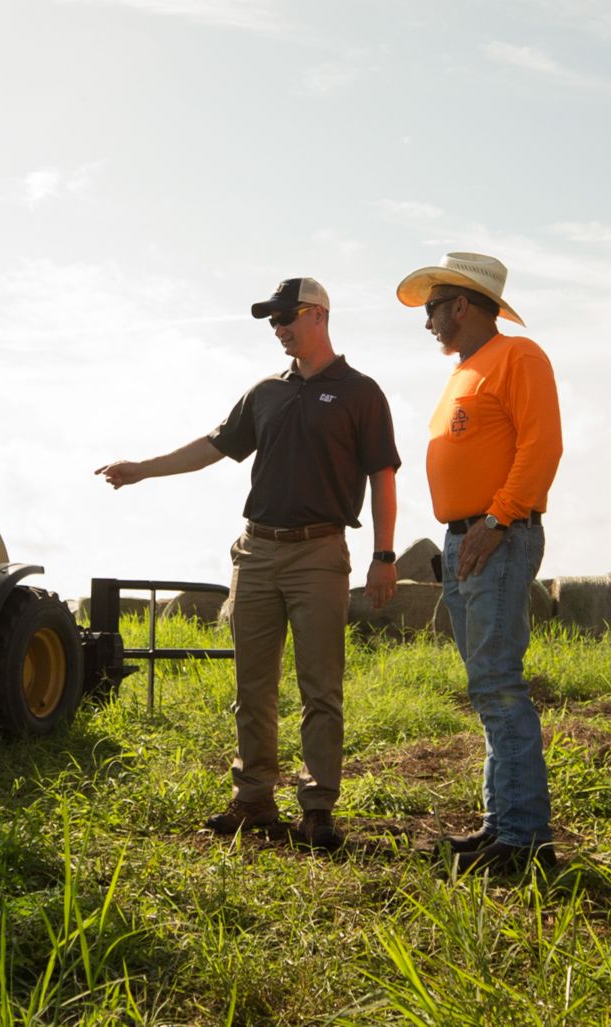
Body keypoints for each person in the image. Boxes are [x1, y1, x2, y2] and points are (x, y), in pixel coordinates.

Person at [96, 277, 401, 851]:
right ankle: (254, 798)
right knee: (251, 684)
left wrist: (385, 555)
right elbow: (212, 447)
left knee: (320, 687)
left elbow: (383, 477)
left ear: (317, 315)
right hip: (256, 553)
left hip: (320, 553)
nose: (278, 329)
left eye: (286, 318)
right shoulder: (265, 392)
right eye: (272, 321)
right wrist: (142, 468)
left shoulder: (361, 393)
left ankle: (316, 809)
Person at [396, 252, 564, 875]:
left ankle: (524, 841)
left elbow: (542, 443)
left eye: (434, 309)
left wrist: (498, 519)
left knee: (497, 684)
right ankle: (504, 827)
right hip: (467, 538)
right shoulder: (468, 369)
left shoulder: (518, 357)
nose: (430, 322)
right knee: (486, 686)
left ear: (460, 305)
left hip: (497, 535)